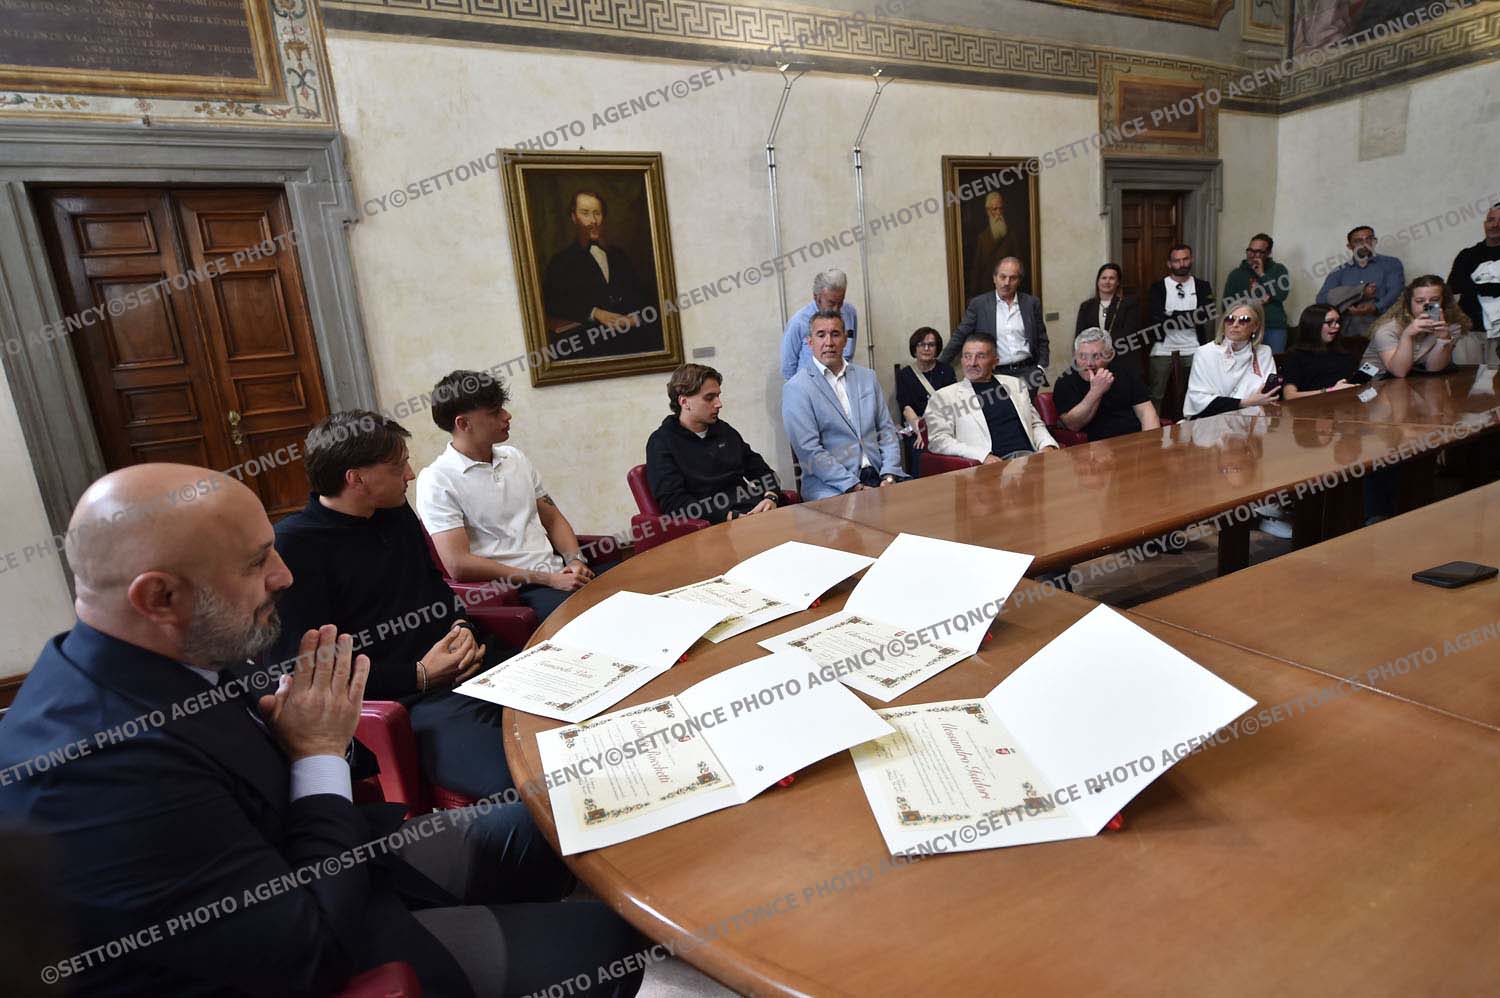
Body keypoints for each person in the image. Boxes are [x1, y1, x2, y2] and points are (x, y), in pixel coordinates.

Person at [0, 463, 644, 998]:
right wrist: (317, 755)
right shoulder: (95, 768)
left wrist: (311, 739)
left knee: (559, 810)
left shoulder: (169, 649)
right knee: (604, 940)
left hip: (347, 860)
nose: (284, 576)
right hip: (324, 937)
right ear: (159, 598)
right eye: (256, 562)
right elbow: (304, 949)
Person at [272, 411, 517, 799]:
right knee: (524, 780)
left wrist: (460, 626)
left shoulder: (394, 511)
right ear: (357, 479)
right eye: (397, 466)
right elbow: (307, 669)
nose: (410, 474)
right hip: (411, 704)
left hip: (475, 666)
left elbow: (434, 585)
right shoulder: (295, 545)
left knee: (581, 714)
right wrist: (419, 675)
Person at [416, 370, 607, 624]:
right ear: (463, 424)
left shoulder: (514, 457)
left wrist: (574, 559)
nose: (507, 416)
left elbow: (552, 518)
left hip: (559, 574)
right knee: (600, 617)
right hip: (517, 591)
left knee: (640, 585)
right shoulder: (437, 479)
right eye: (495, 412)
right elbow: (458, 564)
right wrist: (547, 579)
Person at [782, 308, 907, 499]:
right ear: (810, 342)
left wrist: (889, 475)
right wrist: (856, 487)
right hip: (832, 487)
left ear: (845, 340)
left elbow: (886, 431)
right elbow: (810, 452)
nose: (829, 342)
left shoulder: (867, 377)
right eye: (821, 335)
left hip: (881, 475)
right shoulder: (797, 388)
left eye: (835, 334)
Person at [646, 363, 783, 523]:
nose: (719, 404)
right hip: (712, 524)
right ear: (684, 402)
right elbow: (674, 503)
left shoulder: (724, 431)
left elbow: (762, 471)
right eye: (709, 398)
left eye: (718, 396)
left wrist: (771, 497)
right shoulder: (661, 442)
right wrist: (728, 516)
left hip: (753, 512)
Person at [541, 190, 660, 357]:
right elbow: (553, 302)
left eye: (597, 213)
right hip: (590, 346)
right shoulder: (561, 261)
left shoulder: (619, 256)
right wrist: (595, 312)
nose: (593, 221)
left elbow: (639, 295)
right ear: (574, 217)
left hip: (630, 342)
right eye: (585, 213)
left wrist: (636, 318)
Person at [926, 332, 1059, 463]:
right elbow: (938, 441)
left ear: (995, 362)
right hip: (992, 464)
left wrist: (1047, 445)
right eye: (967, 356)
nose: (972, 363)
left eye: (980, 356)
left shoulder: (1014, 385)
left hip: (1030, 458)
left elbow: (1034, 424)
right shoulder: (945, 397)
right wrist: (982, 456)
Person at [940, 256, 1049, 390]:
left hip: (1027, 373)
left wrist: (1041, 367)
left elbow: (1042, 338)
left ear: (1019, 281)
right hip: (993, 373)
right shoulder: (979, 304)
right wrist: (940, 365)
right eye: (1002, 277)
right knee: (994, 404)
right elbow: (960, 335)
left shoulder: (1031, 303)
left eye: (1013, 278)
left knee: (1026, 404)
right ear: (994, 278)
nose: (1007, 282)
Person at [1146, 243, 1217, 413]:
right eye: (1177, 261)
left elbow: (1206, 314)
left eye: (1185, 259)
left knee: (1197, 392)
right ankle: (1152, 426)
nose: (1181, 264)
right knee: (1156, 394)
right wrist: (1190, 316)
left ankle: (1191, 424)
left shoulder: (1203, 286)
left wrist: (1171, 314)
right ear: (1169, 264)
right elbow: (1157, 318)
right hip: (1163, 349)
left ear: (1191, 259)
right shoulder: (1157, 288)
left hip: (1195, 348)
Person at [1053, 328, 1160, 440]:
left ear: (1109, 355)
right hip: (1096, 445)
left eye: (1096, 356)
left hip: (1135, 439)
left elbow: (1146, 413)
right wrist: (1096, 391)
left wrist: (1150, 442)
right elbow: (1072, 424)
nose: (1089, 363)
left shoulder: (1126, 372)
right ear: (1075, 355)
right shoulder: (1065, 381)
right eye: (1082, 356)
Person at [1184, 301, 1282, 419]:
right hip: (1209, 420)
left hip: (1252, 420)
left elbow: (1268, 395)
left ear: (1255, 326)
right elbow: (1199, 400)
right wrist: (1246, 402)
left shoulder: (1263, 352)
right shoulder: (1205, 352)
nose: (1235, 325)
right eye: (1230, 319)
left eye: (1244, 320)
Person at [1358, 275, 1468, 379]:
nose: (1426, 306)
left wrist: (1443, 341)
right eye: (1420, 301)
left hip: (1413, 377)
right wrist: (1407, 335)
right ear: (1409, 303)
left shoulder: (1451, 327)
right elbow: (1399, 372)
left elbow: (1434, 369)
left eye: (1434, 300)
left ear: (1444, 301)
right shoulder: (1388, 329)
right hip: (1373, 377)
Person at [1316, 225, 1406, 340]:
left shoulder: (1391, 264)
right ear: (1350, 246)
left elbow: (1396, 292)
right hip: (1347, 331)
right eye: (1358, 241)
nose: (1365, 244)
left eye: (1369, 239)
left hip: (1384, 327)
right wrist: (1359, 292)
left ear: (1375, 241)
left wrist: (1375, 307)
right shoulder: (1339, 272)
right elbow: (1322, 299)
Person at [1446, 202, 1500, 366]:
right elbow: (1453, 288)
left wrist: (1476, 287)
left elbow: (1468, 286)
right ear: (1485, 224)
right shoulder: (1467, 255)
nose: (1495, 225)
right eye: (1491, 220)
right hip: (1468, 331)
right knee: (1465, 378)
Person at [895, 326, 957, 467]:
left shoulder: (946, 370)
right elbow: (907, 409)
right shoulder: (905, 375)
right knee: (920, 449)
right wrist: (921, 432)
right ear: (914, 348)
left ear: (937, 348)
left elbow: (951, 405)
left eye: (931, 345)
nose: (926, 348)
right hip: (917, 426)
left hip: (944, 424)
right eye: (921, 344)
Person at [780, 269, 858, 379]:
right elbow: (788, 368)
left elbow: (849, 354)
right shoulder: (798, 323)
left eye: (840, 303)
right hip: (810, 385)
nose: (836, 309)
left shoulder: (850, 313)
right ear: (817, 298)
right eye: (831, 303)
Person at [1222, 233, 1292, 353]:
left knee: (1274, 360)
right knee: (1244, 360)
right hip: (1244, 325)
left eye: (1259, 252)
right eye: (1250, 251)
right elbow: (1226, 304)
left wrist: (1262, 274)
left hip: (1273, 327)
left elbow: (1282, 294)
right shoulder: (1237, 274)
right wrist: (1253, 302)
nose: (1253, 255)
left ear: (1268, 253)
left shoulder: (1278, 270)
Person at [1281, 304, 1361, 399]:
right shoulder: (1296, 355)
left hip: (1346, 402)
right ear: (1313, 325)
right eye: (1330, 322)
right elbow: (1289, 396)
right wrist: (1330, 391)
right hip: (1312, 405)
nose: (1337, 326)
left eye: (1338, 321)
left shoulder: (1343, 351)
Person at [1074, 263, 1141, 374]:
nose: (1107, 282)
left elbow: (1129, 332)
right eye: (1104, 278)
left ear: (1118, 282)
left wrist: (1106, 349)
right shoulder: (1086, 306)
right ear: (1098, 281)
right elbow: (1080, 335)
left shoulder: (1129, 304)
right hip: (1093, 361)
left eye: (1111, 278)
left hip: (1121, 358)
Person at [967, 192, 1025, 301]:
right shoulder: (982, 238)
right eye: (994, 209)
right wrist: (972, 295)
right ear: (988, 211)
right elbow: (977, 270)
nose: (998, 213)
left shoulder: (1012, 235)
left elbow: (1019, 265)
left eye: (1000, 208)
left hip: (1008, 292)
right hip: (987, 292)